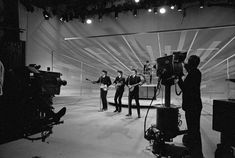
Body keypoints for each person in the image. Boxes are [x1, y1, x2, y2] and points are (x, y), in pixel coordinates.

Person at [177, 55, 204, 158]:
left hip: (192, 106)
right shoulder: (195, 72)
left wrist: (179, 78)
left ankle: (196, 154)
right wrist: (182, 62)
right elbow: (188, 67)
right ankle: (195, 152)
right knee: (194, 130)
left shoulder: (193, 74)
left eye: (189, 61)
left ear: (192, 63)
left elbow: (185, 88)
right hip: (194, 106)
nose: (187, 63)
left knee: (193, 131)